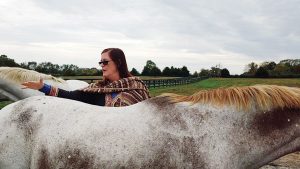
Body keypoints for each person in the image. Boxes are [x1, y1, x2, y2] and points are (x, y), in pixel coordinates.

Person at [21, 48, 150, 107]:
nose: (102, 65)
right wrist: (43, 87)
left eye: (105, 62)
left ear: (119, 62)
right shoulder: (97, 90)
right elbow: (70, 96)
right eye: (100, 62)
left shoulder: (137, 88)